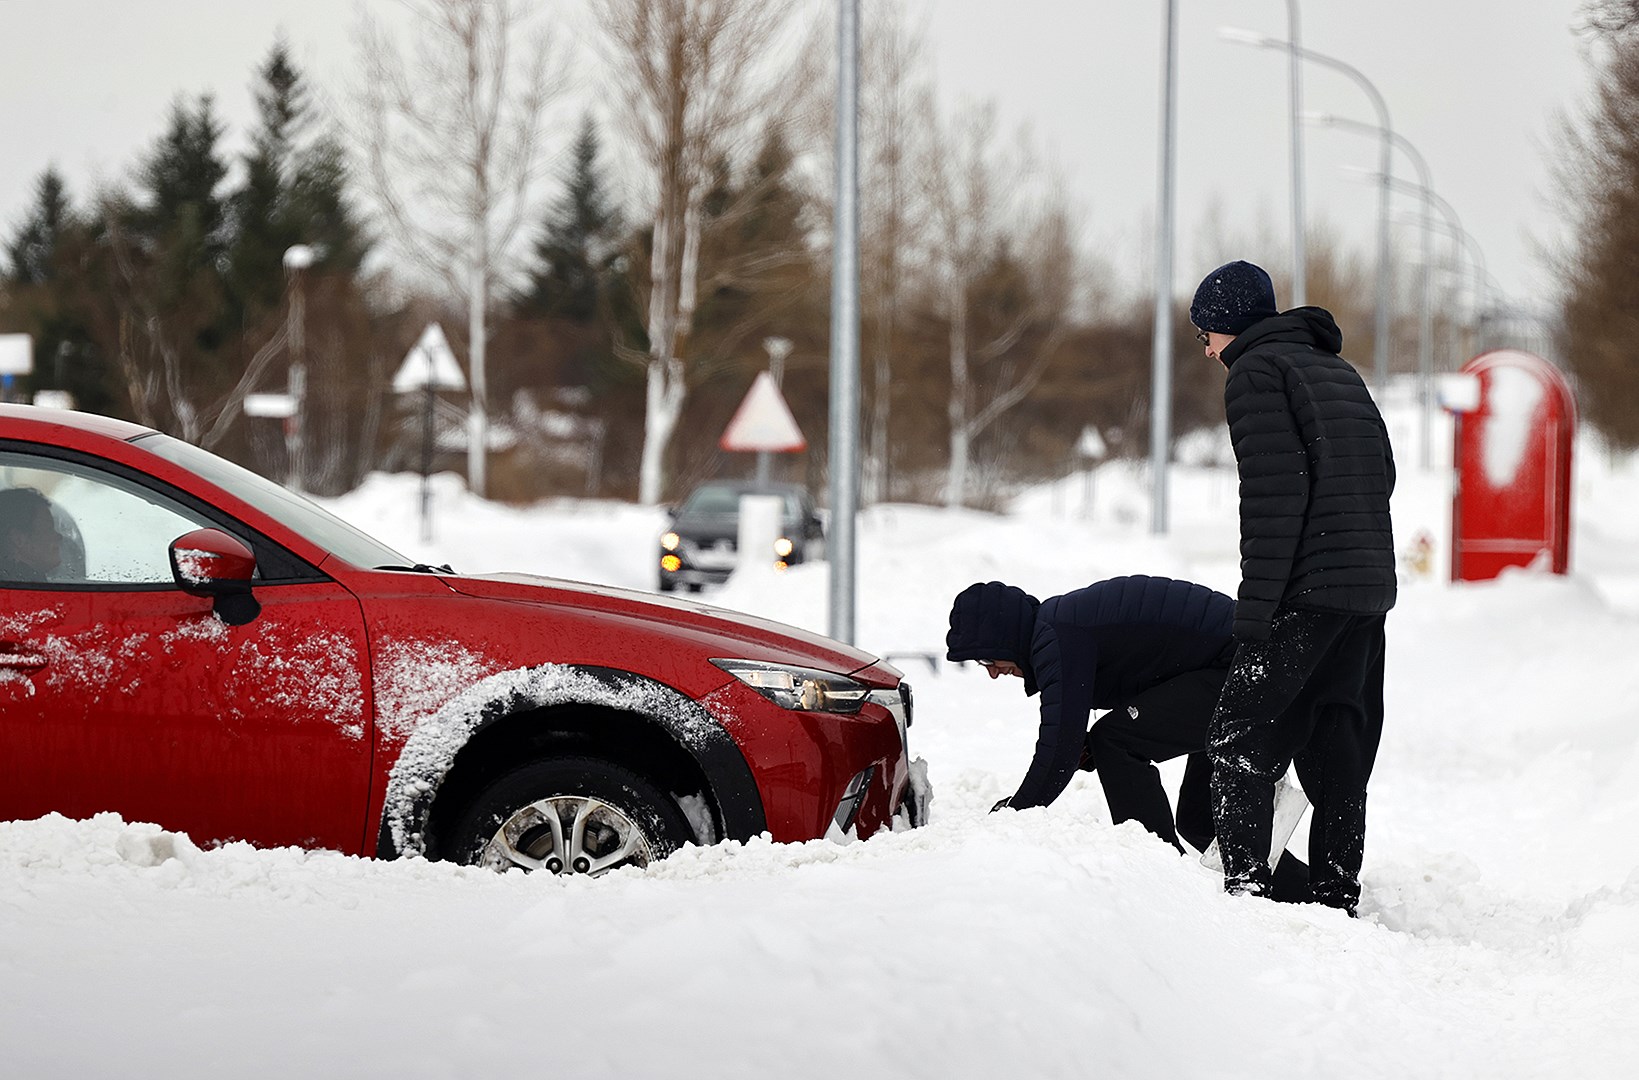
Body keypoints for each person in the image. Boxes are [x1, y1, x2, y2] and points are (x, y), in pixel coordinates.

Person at [1190, 259, 1396, 915]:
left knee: (1235, 737)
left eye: (1205, 333)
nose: (1205, 348)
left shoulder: (1254, 372)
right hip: (1364, 587)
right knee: (1338, 740)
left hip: (1307, 588)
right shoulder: (1337, 370)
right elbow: (1381, 472)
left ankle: (1245, 892)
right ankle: (1336, 894)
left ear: (1228, 326)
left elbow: (1275, 501)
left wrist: (1255, 614)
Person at [945, 574, 1309, 898]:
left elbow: (1059, 746)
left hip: (1243, 665)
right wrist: (1077, 751)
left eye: (986, 660)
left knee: (1115, 741)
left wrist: (1016, 811)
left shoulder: (1056, 635)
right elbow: (1072, 738)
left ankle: (1159, 877)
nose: (992, 673)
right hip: (1245, 664)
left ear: (1002, 637)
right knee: (1199, 820)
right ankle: (1305, 891)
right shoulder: (1058, 627)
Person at [0, 486, 65, 583]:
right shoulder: (27, 588)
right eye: (48, 529)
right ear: (19, 539)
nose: (59, 537)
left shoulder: (18, 583)